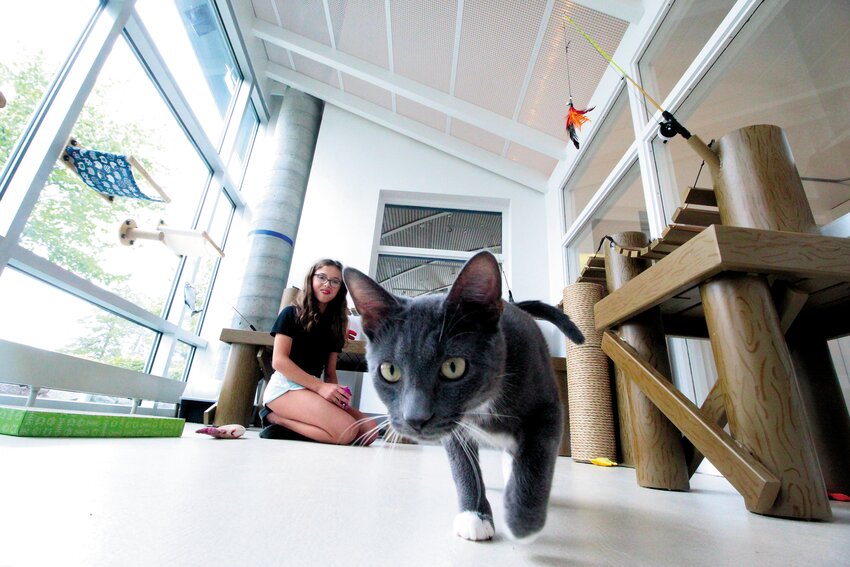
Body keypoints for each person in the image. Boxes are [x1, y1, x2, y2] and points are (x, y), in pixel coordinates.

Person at [260, 258, 380, 445]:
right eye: (322, 277)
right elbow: (279, 361)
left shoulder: (336, 325)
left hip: (312, 389)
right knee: (346, 433)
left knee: (369, 430)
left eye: (335, 281)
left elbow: (330, 372)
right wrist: (321, 388)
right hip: (284, 389)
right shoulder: (290, 313)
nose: (327, 284)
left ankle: (292, 426)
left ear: (341, 287)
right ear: (311, 280)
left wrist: (338, 399)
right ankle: (275, 418)